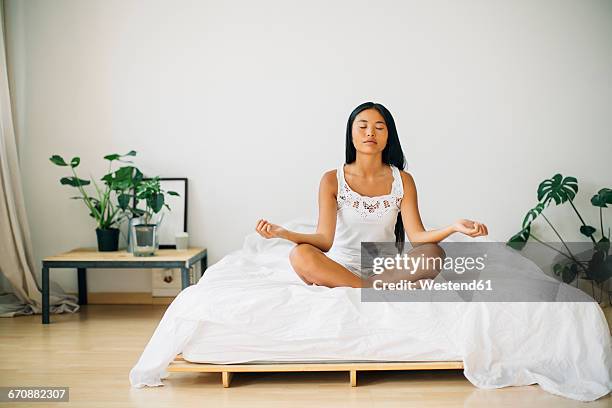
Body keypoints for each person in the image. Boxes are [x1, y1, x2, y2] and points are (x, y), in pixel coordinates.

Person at [255, 102, 488, 288]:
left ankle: (362, 286)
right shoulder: (331, 180)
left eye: (379, 127)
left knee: (434, 254)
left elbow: (417, 238)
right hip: (339, 266)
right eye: (363, 126)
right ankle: (366, 287)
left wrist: (454, 227)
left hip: (386, 270)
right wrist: (284, 233)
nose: (370, 133)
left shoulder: (403, 180)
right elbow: (324, 241)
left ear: (388, 137)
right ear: (351, 133)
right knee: (300, 255)